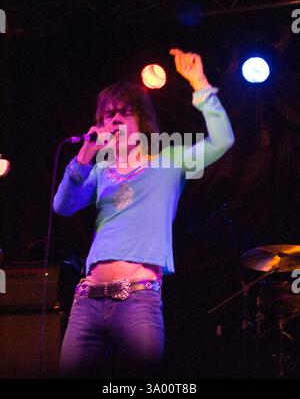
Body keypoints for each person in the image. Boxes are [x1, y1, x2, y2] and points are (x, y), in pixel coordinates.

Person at [53, 48, 235, 378]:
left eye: (124, 113)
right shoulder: (100, 171)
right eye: (107, 116)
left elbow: (222, 140)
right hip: (86, 300)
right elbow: (62, 206)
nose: (114, 121)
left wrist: (200, 83)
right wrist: (83, 158)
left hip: (137, 301)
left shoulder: (169, 161)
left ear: (142, 121)